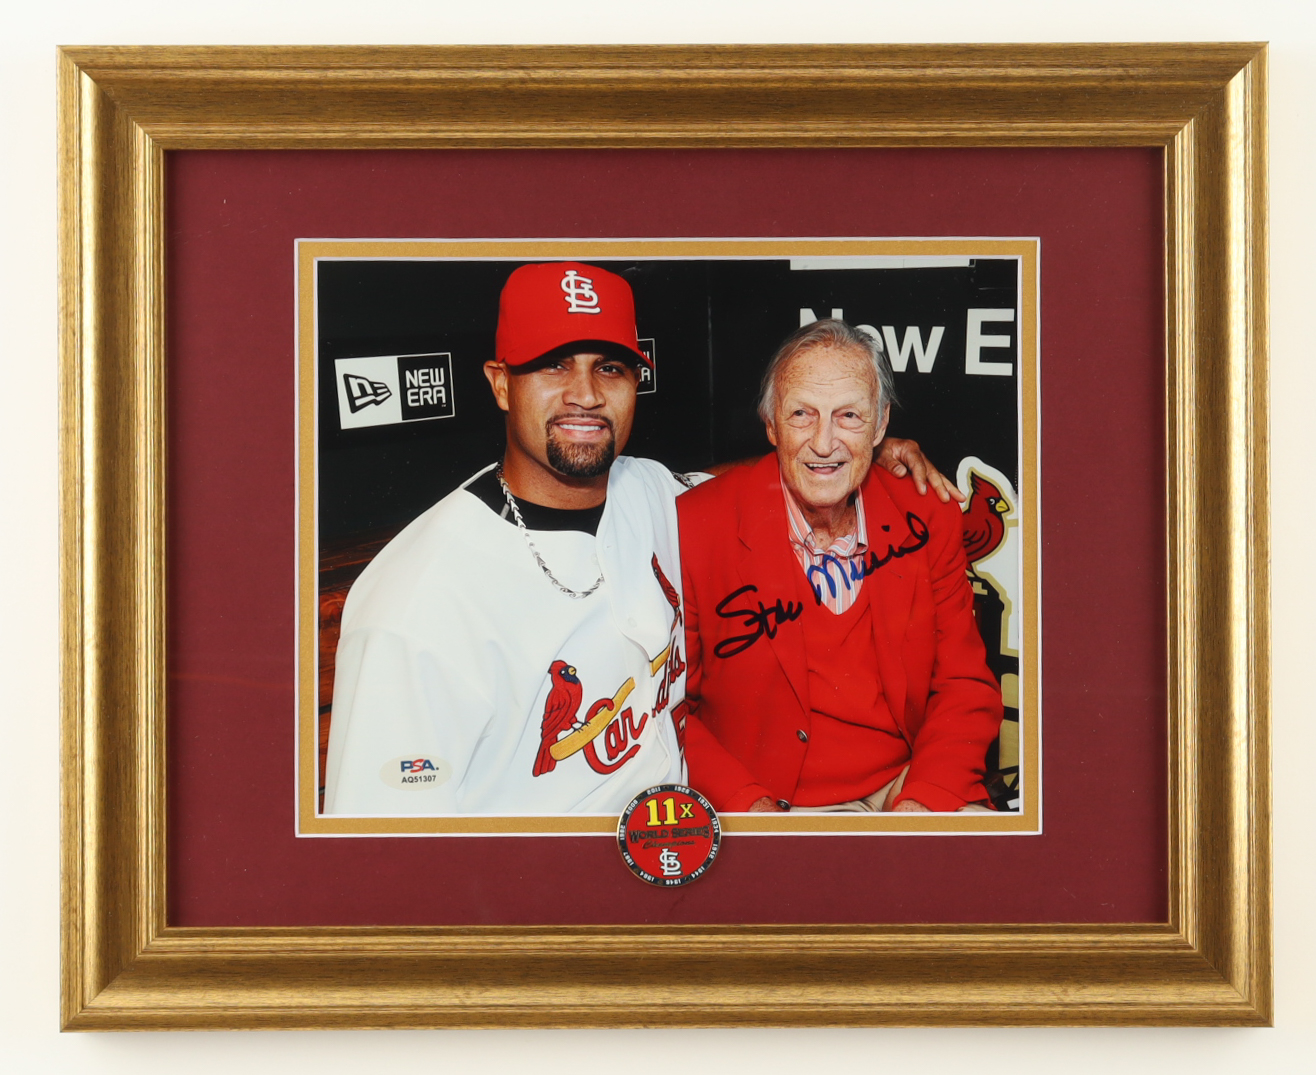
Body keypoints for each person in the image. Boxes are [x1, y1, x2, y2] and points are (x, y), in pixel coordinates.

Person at [323, 265, 952, 816]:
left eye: (610, 368)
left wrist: (864, 455)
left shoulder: (648, 491)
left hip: (683, 834)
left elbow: (763, 478)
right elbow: (384, 856)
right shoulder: (417, 606)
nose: (585, 394)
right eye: (552, 364)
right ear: (501, 382)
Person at [679, 319, 1003, 814]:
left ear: (880, 424)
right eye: (801, 414)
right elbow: (670, 708)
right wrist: (751, 810)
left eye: (849, 415)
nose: (824, 442)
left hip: (904, 782)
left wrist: (920, 803)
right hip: (766, 800)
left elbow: (965, 685)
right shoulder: (697, 524)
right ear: (771, 424)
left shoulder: (927, 515)